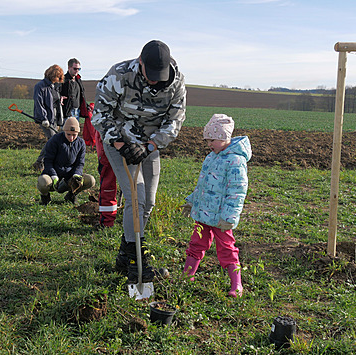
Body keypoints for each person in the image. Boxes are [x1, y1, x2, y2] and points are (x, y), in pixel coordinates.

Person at [92, 40, 186, 283]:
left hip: (149, 145)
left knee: (149, 201)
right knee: (136, 197)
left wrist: (150, 145)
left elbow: (174, 121)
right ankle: (137, 264)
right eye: (150, 74)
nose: (154, 80)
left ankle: (125, 254)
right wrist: (121, 144)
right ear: (140, 62)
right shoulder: (119, 75)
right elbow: (100, 114)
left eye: (160, 75)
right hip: (120, 143)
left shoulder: (176, 82)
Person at [182, 114, 252, 298]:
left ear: (223, 137)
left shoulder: (236, 161)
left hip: (222, 218)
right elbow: (203, 186)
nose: (209, 145)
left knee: (227, 248)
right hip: (204, 214)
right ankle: (186, 276)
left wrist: (230, 217)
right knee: (196, 243)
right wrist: (192, 201)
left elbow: (238, 191)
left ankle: (237, 285)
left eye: (211, 140)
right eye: (207, 141)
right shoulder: (211, 157)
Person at [37, 117, 96, 205]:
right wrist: (53, 176)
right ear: (64, 131)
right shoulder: (54, 141)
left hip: (69, 177)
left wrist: (77, 174)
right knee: (43, 181)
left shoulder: (81, 143)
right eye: (68, 134)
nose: (71, 138)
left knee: (90, 180)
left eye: (74, 135)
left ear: (78, 133)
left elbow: (80, 163)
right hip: (54, 176)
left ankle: (72, 195)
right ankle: (45, 197)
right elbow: (48, 161)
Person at [83, 102, 118, 228]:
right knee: (110, 187)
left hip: (108, 152)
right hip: (107, 151)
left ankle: (108, 221)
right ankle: (109, 221)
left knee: (108, 188)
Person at [31, 65, 65, 172]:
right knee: (53, 140)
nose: (59, 79)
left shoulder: (53, 86)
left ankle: (43, 162)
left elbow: (54, 102)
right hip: (45, 118)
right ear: (52, 75)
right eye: (58, 77)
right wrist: (43, 118)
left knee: (53, 140)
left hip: (54, 117)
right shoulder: (40, 86)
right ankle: (40, 162)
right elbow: (39, 103)